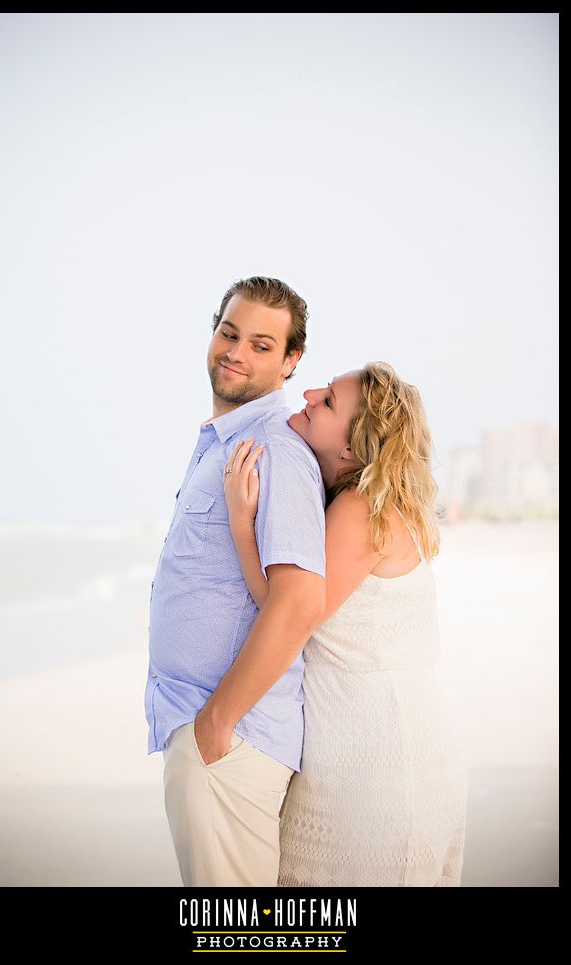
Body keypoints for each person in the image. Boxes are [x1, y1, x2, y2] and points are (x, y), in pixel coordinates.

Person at [223, 362, 468, 887]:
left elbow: (289, 611)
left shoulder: (361, 510)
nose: (308, 394)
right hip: (399, 754)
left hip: (375, 766)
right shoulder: (377, 506)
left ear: (353, 449)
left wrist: (242, 524)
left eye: (329, 400)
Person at [144, 276, 327, 888]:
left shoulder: (272, 447)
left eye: (261, 344)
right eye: (229, 333)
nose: (236, 352)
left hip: (229, 740)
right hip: (208, 733)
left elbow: (299, 600)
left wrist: (217, 722)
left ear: (290, 362)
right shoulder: (225, 443)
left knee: (234, 933)